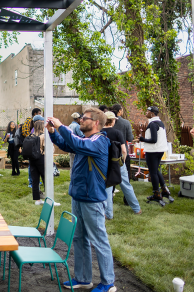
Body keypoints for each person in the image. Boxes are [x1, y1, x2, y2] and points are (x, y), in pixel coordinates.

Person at [46, 109, 116, 292]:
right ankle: (84, 279)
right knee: (79, 238)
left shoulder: (99, 140)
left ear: (96, 123)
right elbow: (70, 144)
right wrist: (54, 133)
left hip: (92, 199)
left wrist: (61, 126)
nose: (81, 120)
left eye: (85, 118)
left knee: (99, 240)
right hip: (78, 196)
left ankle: (108, 283)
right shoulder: (86, 141)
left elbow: (75, 141)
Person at [102, 111, 141, 219]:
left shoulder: (99, 132)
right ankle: (137, 209)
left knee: (108, 188)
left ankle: (108, 214)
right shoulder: (117, 133)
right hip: (117, 162)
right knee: (126, 186)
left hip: (105, 164)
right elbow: (124, 150)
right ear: (113, 121)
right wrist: (122, 161)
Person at [138, 106, 173, 205]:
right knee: (156, 170)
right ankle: (165, 190)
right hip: (160, 150)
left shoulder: (153, 124)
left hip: (153, 151)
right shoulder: (160, 123)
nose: (146, 112)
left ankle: (156, 194)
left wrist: (142, 139)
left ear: (152, 113)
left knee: (153, 173)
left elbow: (153, 140)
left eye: (147, 111)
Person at [110, 104, 134, 176]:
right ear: (120, 111)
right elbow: (130, 138)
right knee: (125, 174)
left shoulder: (107, 123)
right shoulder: (126, 122)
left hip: (110, 151)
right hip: (122, 151)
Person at [21, 108, 42, 188]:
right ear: (35, 113)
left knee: (35, 165)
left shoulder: (36, 126)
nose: (40, 114)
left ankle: (35, 180)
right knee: (32, 165)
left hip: (36, 147)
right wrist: (30, 141)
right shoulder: (30, 122)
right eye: (39, 113)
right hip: (32, 147)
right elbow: (25, 132)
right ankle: (31, 181)